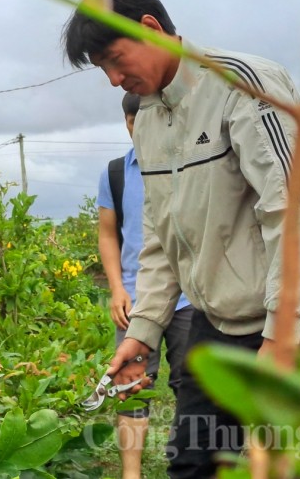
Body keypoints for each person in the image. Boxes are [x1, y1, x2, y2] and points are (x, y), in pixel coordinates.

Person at [63, 0, 300, 478]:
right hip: (217, 320)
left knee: (284, 469)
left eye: (114, 59)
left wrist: (279, 341)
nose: (112, 80)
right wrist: (145, 330)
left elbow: (292, 212)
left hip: (297, 315)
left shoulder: (243, 84)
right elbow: (160, 233)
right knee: (194, 464)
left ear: (150, 28)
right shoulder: (148, 118)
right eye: (103, 69)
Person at [97, 92, 193, 479]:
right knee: (130, 384)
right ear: (126, 122)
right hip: (134, 301)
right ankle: (131, 474)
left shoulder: (186, 163)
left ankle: (188, 460)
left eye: (145, 120)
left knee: (193, 384)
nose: (138, 129)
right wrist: (117, 288)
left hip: (188, 298)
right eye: (132, 122)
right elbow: (107, 234)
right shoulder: (116, 172)